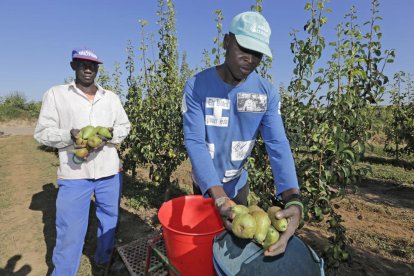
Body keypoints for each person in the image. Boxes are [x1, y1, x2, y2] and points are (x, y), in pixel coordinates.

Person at [182, 11, 302, 257]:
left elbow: (277, 144)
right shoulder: (197, 86)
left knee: (234, 250)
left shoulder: (265, 93)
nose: (249, 59)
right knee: (205, 246)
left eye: (257, 54)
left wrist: (294, 198)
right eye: (243, 49)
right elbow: (195, 142)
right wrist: (218, 197)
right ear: (227, 42)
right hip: (207, 187)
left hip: (239, 185)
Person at [34, 48, 131, 275]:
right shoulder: (57, 95)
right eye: (82, 64)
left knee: (109, 221)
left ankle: (103, 259)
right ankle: (64, 271)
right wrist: (70, 135)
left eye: (92, 65)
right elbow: (41, 133)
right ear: (73, 66)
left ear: (98, 68)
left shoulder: (111, 98)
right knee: (70, 230)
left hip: (109, 171)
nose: (88, 69)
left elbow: (124, 127)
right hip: (75, 174)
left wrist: (108, 134)